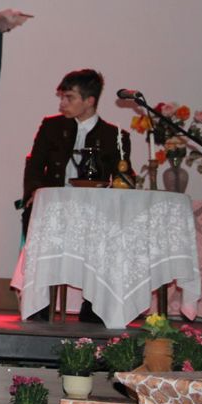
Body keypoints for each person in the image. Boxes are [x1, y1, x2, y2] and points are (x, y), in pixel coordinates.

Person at [21, 68, 133, 322]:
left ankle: (94, 304)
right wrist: (34, 191)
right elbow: (34, 165)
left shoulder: (115, 136)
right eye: (62, 97)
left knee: (109, 232)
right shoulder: (51, 127)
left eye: (69, 97)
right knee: (37, 221)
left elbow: (124, 175)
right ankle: (39, 303)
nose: (62, 103)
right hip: (54, 208)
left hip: (94, 212)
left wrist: (123, 185)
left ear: (89, 101)